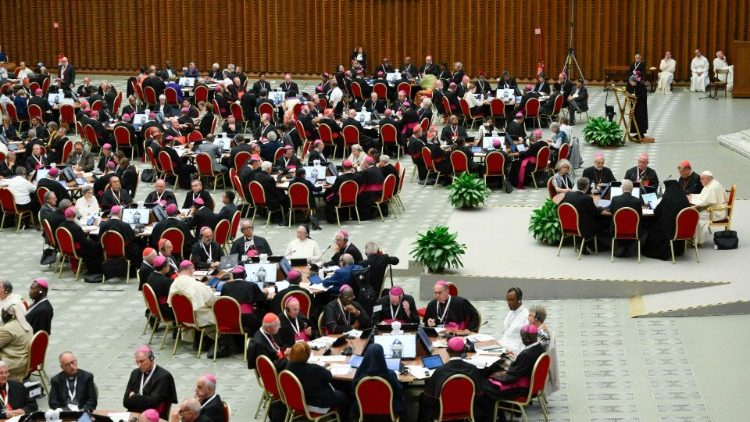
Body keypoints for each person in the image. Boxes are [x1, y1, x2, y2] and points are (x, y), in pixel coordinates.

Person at [418, 337, 488, 422]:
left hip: (442, 411)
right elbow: (480, 394)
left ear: (447, 350)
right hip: (468, 409)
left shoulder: (440, 371)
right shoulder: (472, 369)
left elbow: (429, 397)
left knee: (422, 397)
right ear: (464, 351)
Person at [284, 342, 351, 421]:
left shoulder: (288, 365)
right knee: (344, 397)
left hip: (297, 402)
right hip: (314, 404)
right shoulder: (313, 369)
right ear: (307, 355)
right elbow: (329, 377)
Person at [483, 325, 546, 406]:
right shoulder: (540, 348)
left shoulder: (526, 355)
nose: (522, 339)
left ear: (527, 339)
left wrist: (493, 375)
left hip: (521, 389)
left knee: (484, 384)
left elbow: (510, 377)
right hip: (531, 384)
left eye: (522, 338)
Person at [123, 345, 178, 420]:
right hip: (134, 415)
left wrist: (133, 397)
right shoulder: (135, 373)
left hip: (153, 417)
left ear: (151, 358)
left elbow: (153, 403)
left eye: (142, 361)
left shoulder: (163, 376)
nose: (139, 365)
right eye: (137, 362)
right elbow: (125, 402)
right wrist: (145, 399)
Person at [352, 343, 405, 418]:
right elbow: (398, 391)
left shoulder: (359, 374)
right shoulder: (390, 375)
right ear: (381, 356)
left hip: (364, 410)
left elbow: (354, 390)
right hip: (388, 410)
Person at [643, 180, 692, 260]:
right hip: (682, 229)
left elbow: (656, 212)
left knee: (650, 224)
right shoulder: (684, 198)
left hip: (669, 230)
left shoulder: (668, 197)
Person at [561, 178, 607, 253]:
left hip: (569, 225)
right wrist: (600, 208)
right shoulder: (587, 198)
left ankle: (583, 244)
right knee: (604, 222)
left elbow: (561, 207)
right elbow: (595, 212)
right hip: (583, 228)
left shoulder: (568, 194)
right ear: (587, 186)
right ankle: (596, 245)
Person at [168, 261, 217, 328]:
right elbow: (213, 302)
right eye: (193, 269)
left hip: (182, 318)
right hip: (198, 319)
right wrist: (209, 291)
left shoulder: (174, 284)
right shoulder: (196, 285)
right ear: (190, 270)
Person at [526, 305, 560, 394]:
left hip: (533, 372)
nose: (527, 318)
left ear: (537, 318)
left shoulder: (541, 336)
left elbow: (531, 357)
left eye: (530, 315)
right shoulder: (542, 331)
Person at [690, 171, 728, 244]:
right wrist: (692, 196)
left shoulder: (712, 187)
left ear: (708, 178)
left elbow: (703, 202)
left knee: (696, 216)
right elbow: (702, 196)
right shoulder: (710, 184)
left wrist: (691, 199)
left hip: (717, 212)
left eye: (702, 179)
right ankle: (694, 237)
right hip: (713, 209)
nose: (700, 181)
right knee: (696, 213)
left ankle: (697, 241)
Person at [0, 303, 33, 381]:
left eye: (2, 313)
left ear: (7, 315)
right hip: (23, 362)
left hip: (12, 365)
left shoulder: (8, 329)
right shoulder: (26, 324)